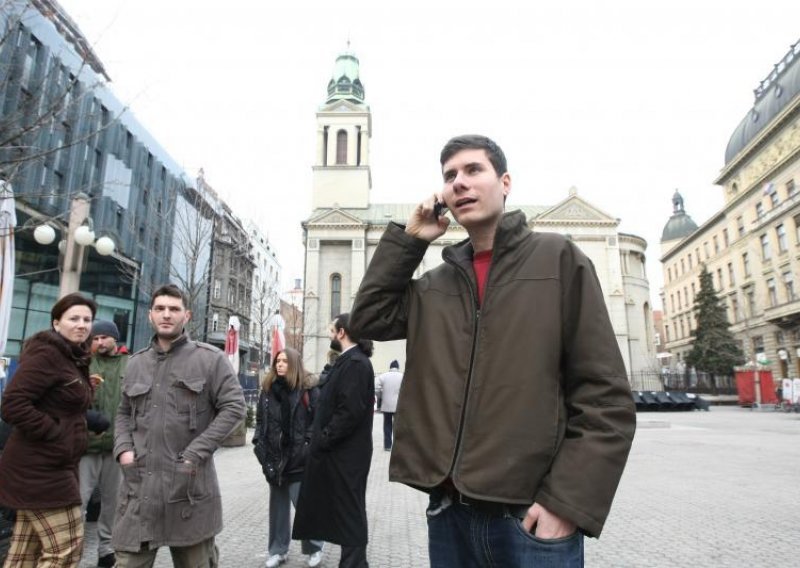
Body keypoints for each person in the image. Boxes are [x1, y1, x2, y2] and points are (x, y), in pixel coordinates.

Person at [349, 134, 637, 567]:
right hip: (449, 515)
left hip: (530, 521)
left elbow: (606, 399)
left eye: (472, 170)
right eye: (449, 176)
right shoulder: (434, 286)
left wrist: (566, 503)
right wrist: (412, 239)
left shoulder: (558, 260)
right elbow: (368, 318)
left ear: (505, 182)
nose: (459, 182)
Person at [112, 284, 246, 568]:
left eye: (174, 309)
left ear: (186, 315)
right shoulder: (135, 363)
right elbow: (123, 412)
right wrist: (123, 450)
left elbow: (234, 407)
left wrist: (195, 453)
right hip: (140, 491)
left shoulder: (210, 359)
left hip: (188, 490)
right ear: (150, 315)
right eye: (160, 309)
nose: (166, 315)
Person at [0, 293, 101, 567]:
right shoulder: (48, 354)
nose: (82, 324)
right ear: (56, 323)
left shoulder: (71, 356)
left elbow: (57, 403)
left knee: (23, 555)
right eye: (74, 318)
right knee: (66, 551)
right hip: (39, 469)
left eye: (87, 319)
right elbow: (12, 404)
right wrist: (56, 434)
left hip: (52, 465)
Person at [293, 314, 374, 568]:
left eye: (331, 329)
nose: (328, 334)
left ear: (341, 333)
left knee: (350, 512)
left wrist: (324, 438)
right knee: (343, 511)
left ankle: (354, 564)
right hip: (341, 454)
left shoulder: (356, 364)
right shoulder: (348, 361)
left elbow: (349, 411)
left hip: (346, 456)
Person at [253, 348, 323, 568]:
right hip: (274, 460)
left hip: (299, 459)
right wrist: (260, 449)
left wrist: (306, 447)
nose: (280, 364)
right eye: (277, 361)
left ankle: (314, 548)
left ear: (294, 364)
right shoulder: (267, 390)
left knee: (304, 507)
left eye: (284, 361)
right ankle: (278, 550)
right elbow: (260, 423)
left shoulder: (307, 389)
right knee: (278, 509)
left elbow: (317, 422)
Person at [79, 319, 128, 568]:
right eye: (95, 338)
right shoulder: (83, 363)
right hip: (85, 446)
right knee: (78, 500)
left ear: (114, 339)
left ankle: (106, 550)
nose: (99, 342)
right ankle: (72, 549)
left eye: (103, 338)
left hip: (116, 446)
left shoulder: (129, 363)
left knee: (113, 502)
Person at [374, 360, 403, 451]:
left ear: (390, 367)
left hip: (386, 404)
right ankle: (398, 445)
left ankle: (387, 445)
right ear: (398, 367)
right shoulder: (402, 376)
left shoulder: (383, 376)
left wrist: (381, 396)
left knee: (387, 425)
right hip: (399, 405)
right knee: (398, 425)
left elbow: (376, 387)